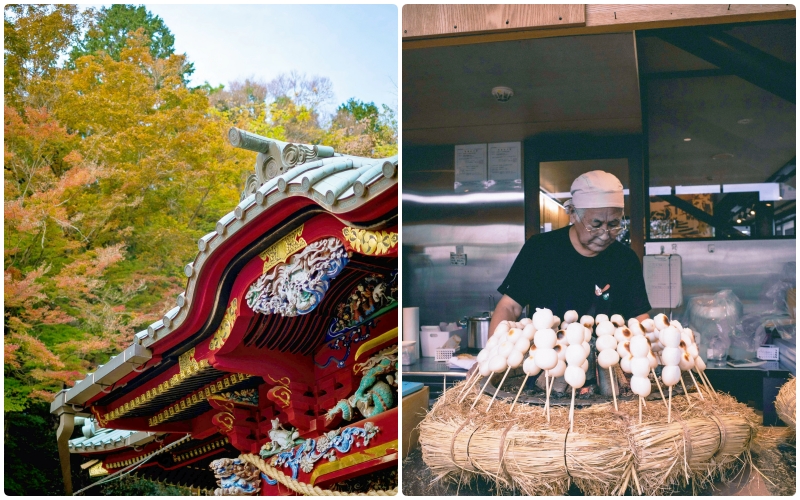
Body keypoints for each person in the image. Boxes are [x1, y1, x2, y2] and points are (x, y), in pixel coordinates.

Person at [489, 170, 651, 335]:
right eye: (596, 224)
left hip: (607, 356)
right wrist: (492, 353)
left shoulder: (625, 260)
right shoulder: (540, 249)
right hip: (545, 356)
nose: (605, 234)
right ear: (573, 214)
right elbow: (510, 306)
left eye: (613, 224)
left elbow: (638, 316)